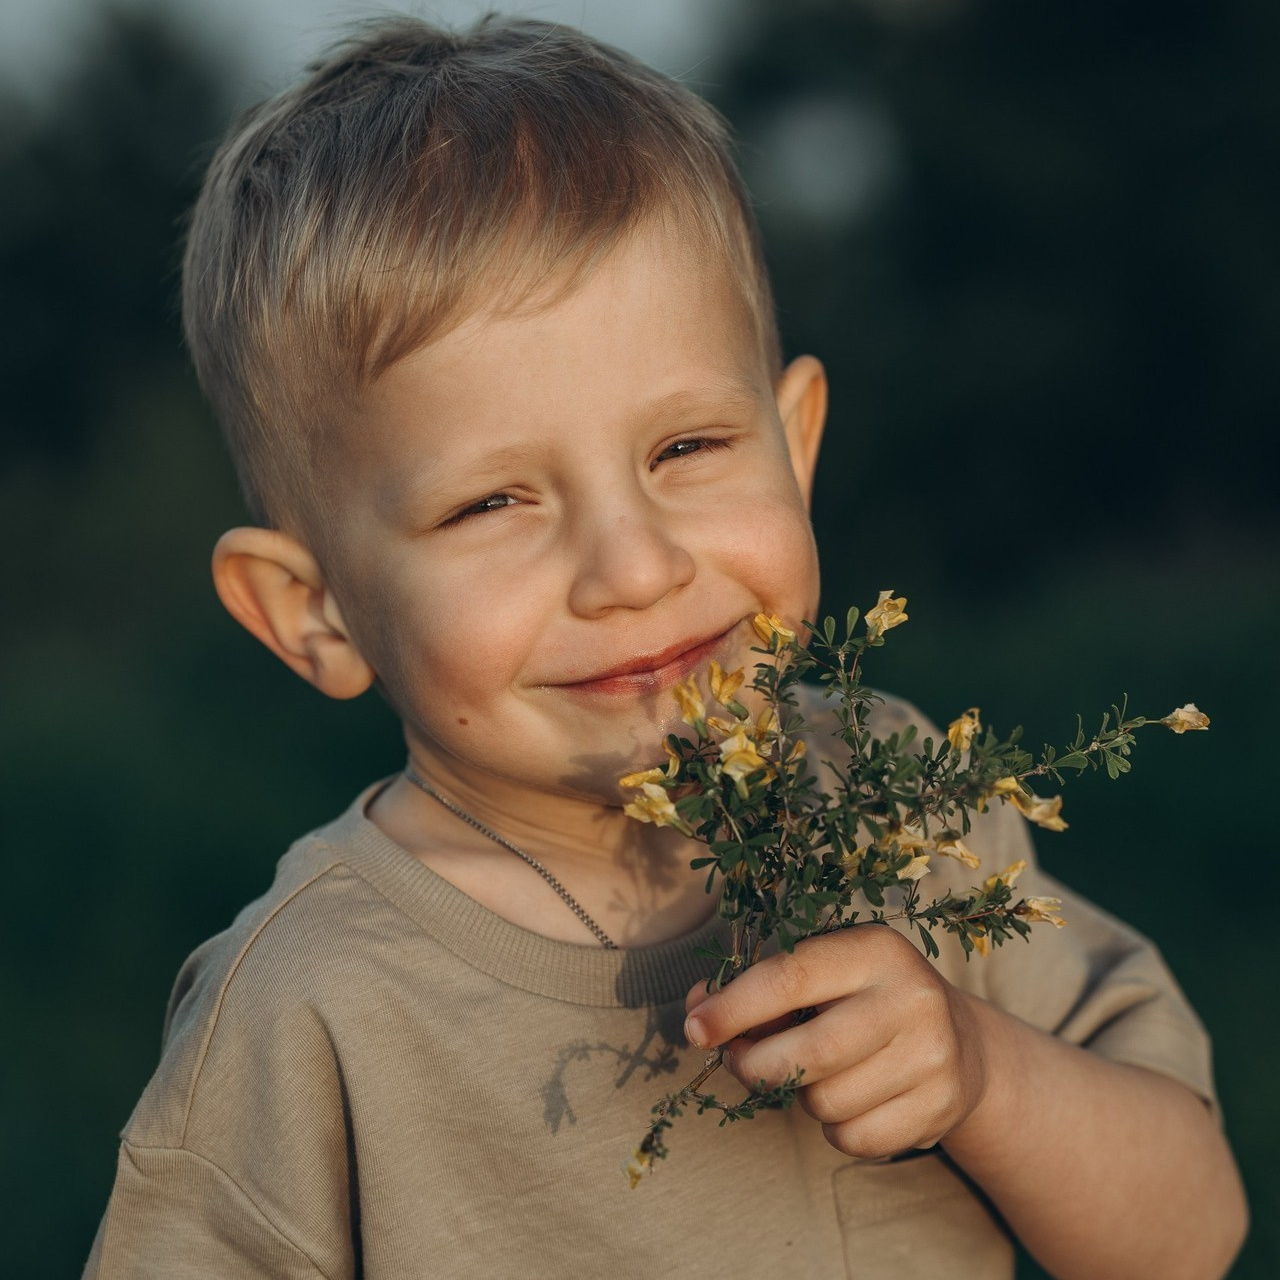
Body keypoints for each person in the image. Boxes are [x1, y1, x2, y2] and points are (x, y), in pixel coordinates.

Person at [85, 15, 1246, 1279]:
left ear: (793, 448)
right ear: (312, 611)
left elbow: (1189, 1235)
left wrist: (981, 1073)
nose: (635, 568)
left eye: (684, 449)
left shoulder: (904, 810)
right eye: (491, 503)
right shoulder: (306, 1006)